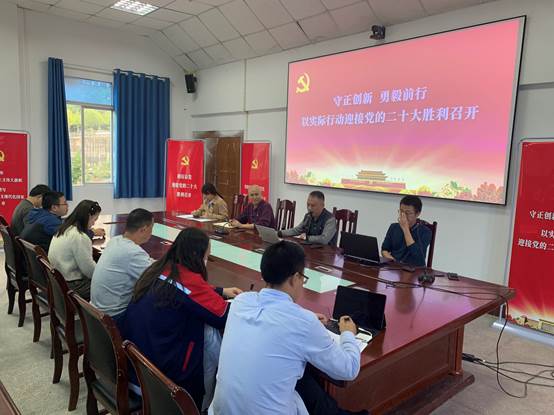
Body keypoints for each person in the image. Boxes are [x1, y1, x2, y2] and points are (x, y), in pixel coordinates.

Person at [211, 240, 365, 415]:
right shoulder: (304, 323)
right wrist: (347, 334)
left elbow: (273, 316)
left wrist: (304, 317)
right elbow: (349, 369)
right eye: (303, 279)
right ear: (295, 278)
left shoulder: (241, 301)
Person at [121, 228, 242, 411]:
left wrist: (220, 291)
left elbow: (186, 292)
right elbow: (223, 316)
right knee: (210, 332)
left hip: (135, 367)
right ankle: (205, 406)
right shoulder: (188, 281)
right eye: (207, 256)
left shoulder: (160, 268)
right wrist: (246, 302)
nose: (206, 261)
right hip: (163, 385)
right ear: (196, 255)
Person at [91, 208, 154, 322]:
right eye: (151, 228)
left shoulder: (115, 240)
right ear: (143, 229)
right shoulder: (133, 252)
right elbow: (154, 280)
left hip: (95, 312)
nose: (152, 232)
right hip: (114, 317)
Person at [48, 200, 102, 300]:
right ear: (88, 216)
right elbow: (89, 271)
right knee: (112, 286)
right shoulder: (80, 237)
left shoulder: (64, 228)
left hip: (58, 281)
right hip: (72, 286)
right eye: (94, 219)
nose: (94, 223)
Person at [381, 195, 432, 267]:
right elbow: (384, 250)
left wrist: (405, 229)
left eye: (408, 213)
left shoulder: (425, 232)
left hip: (414, 270)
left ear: (417, 213)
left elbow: (419, 260)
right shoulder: (393, 227)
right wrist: (393, 262)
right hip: (394, 267)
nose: (403, 216)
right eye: (401, 212)